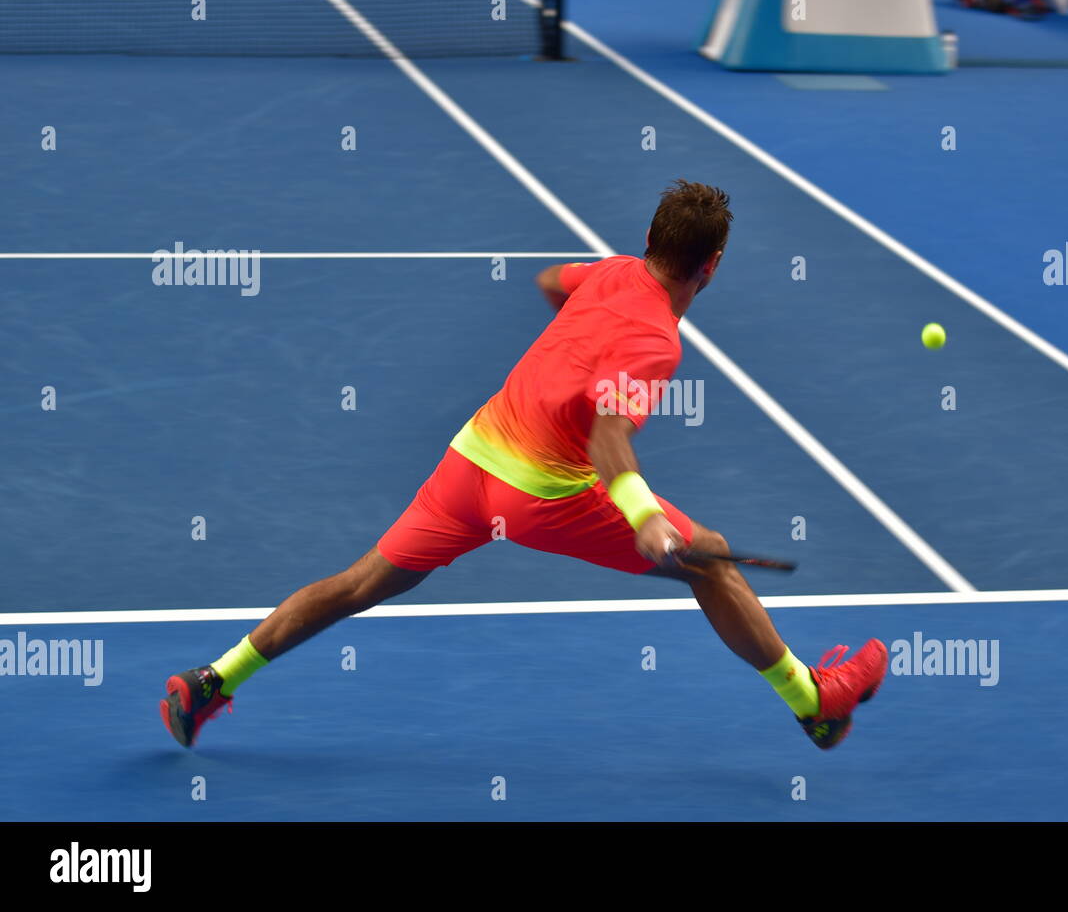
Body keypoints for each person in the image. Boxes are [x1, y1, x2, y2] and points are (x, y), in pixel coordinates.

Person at [160, 180, 887, 752]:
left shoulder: (610, 273)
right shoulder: (656, 342)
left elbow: (549, 281)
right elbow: (608, 439)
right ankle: (816, 706)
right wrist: (645, 519)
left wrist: (573, 353)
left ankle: (212, 679)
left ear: (648, 241)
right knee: (713, 562)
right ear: (714, 265)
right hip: (541, 492)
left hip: (470, 458)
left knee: (359, 583)